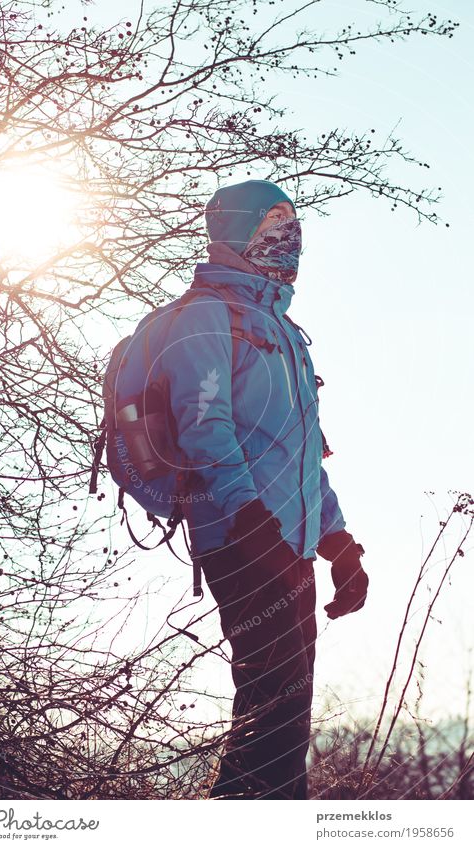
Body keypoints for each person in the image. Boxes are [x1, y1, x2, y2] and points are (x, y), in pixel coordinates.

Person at [160, 179, 369, 800]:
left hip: (291, 548)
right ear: (233, 234)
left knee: (283, 722)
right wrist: (252, 524)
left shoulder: (285, 334)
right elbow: (205, 431)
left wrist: (340, 545)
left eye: (292, 224)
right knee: (269, 719)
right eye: (271, 224)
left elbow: (303, 452)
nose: (288, 237)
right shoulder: (203, 319)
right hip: (242, 540)